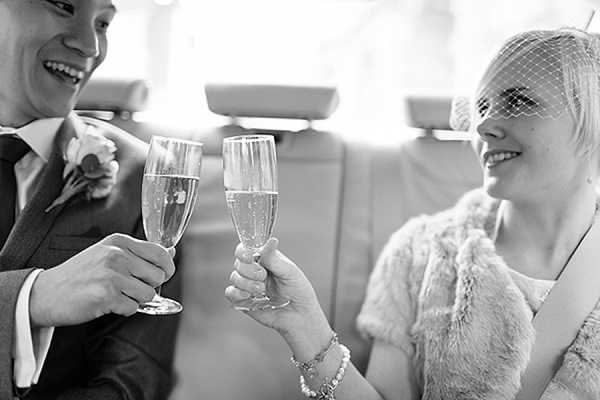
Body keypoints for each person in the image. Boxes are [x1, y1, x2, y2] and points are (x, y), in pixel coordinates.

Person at [225, 26, 600, 399]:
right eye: (482, 106)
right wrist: (304, 325)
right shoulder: (418, 254)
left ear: (592, 118)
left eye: (518, 103)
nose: (484, 124)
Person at [0, 0, 181, 399]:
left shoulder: (146, 178)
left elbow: (133, 382)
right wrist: (31, 299)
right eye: (64, 6)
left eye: (102, 23)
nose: (90, 46)